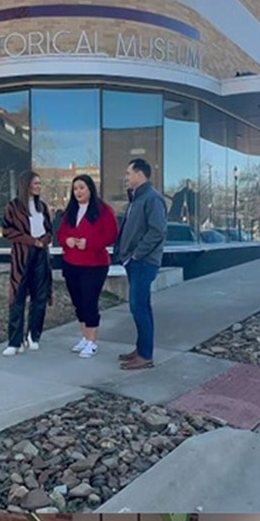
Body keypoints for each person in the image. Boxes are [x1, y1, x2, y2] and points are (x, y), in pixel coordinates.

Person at [56, 174, 119, 359]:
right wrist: (66, 240)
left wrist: (89, 242)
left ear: (90, 189)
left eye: (82, 188)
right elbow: (60, 233)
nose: (78, 192)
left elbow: (112, 234)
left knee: (89, 302)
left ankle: (92, 342)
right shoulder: (71, 211)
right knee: (78, 303)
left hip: (94, 265)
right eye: (75, 189)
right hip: (71, 263)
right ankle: (85, 337)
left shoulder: (103, 210)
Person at [115, 158, 167, 370]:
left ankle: (145, 356)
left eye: (128, 173)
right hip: (134, 262)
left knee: (139, 307)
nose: (126, 177)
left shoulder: (152, 198)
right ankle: (141, 349)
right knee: (141, 306)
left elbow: (157, 231)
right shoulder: (137, 198)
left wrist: (136, 255)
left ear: (139, 174)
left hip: (143, 263)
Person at [0, 170, 52, 357]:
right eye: (36, 183)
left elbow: (49, 231)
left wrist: (43, 241)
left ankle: (34, 335)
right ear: (26, 184)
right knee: (17, 298)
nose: (39, 186)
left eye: (39, 183)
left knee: (40, 296)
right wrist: (31, 241)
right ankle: (15, 341)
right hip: (22, 256)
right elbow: (7, 231)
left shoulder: (42, 207)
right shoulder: (13, 207)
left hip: (41, 255)